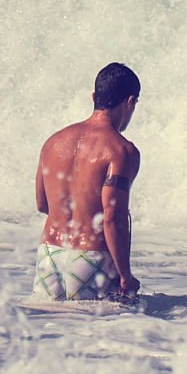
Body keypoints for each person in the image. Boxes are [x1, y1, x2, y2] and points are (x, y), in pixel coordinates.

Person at [32, 62, 142, 301]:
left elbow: (42, 204)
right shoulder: (121, 151)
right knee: (103, 331)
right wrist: (126, 275)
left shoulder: (53, 142)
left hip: (49, 254)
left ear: (94, 97)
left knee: (50, 330)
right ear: (130, 102)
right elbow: (112, 218)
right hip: (92, 259)